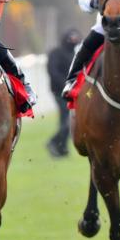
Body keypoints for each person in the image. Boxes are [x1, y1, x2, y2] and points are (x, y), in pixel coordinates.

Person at [46, 28, 81, 157]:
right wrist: (66, 85)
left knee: (67, 119)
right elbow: (53, 72)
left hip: (72, 92)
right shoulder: (56, 53)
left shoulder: (74, 54)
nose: (74, 41)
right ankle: (54, 142)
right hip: (59, 92)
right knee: (67, 120)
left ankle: (62, 148)